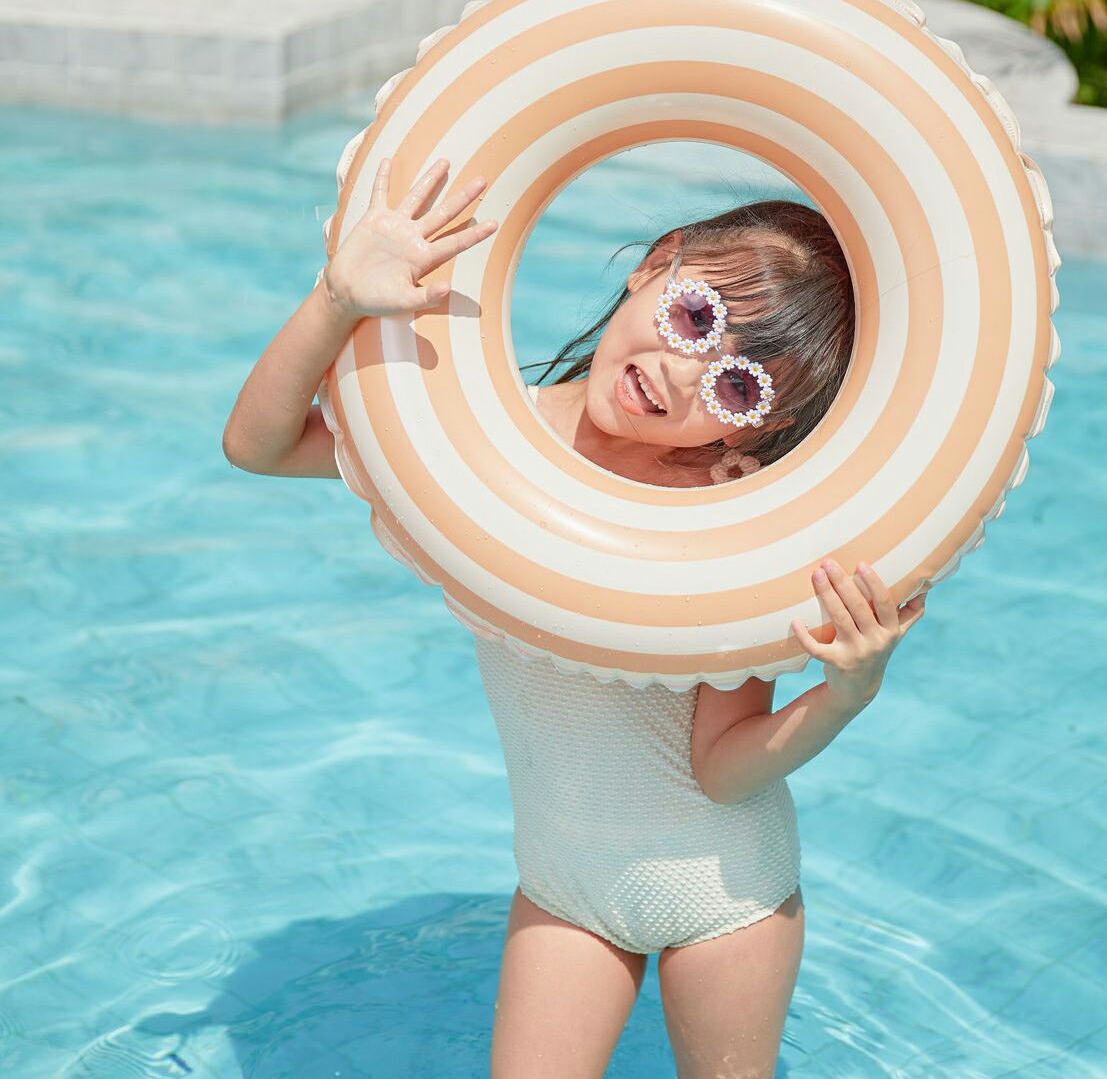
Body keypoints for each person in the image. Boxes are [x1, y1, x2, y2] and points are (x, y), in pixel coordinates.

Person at [223, 156, 927, 1079]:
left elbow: (721, 769)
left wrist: (847, 693)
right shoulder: (482, 444)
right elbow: (261, 446)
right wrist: (335, 300)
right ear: (657, 262)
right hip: (564, 890)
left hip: (724, 894)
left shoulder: (724, 521)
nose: (682, 374)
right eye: (694, 318)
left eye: (737, 387)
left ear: (750, 430)